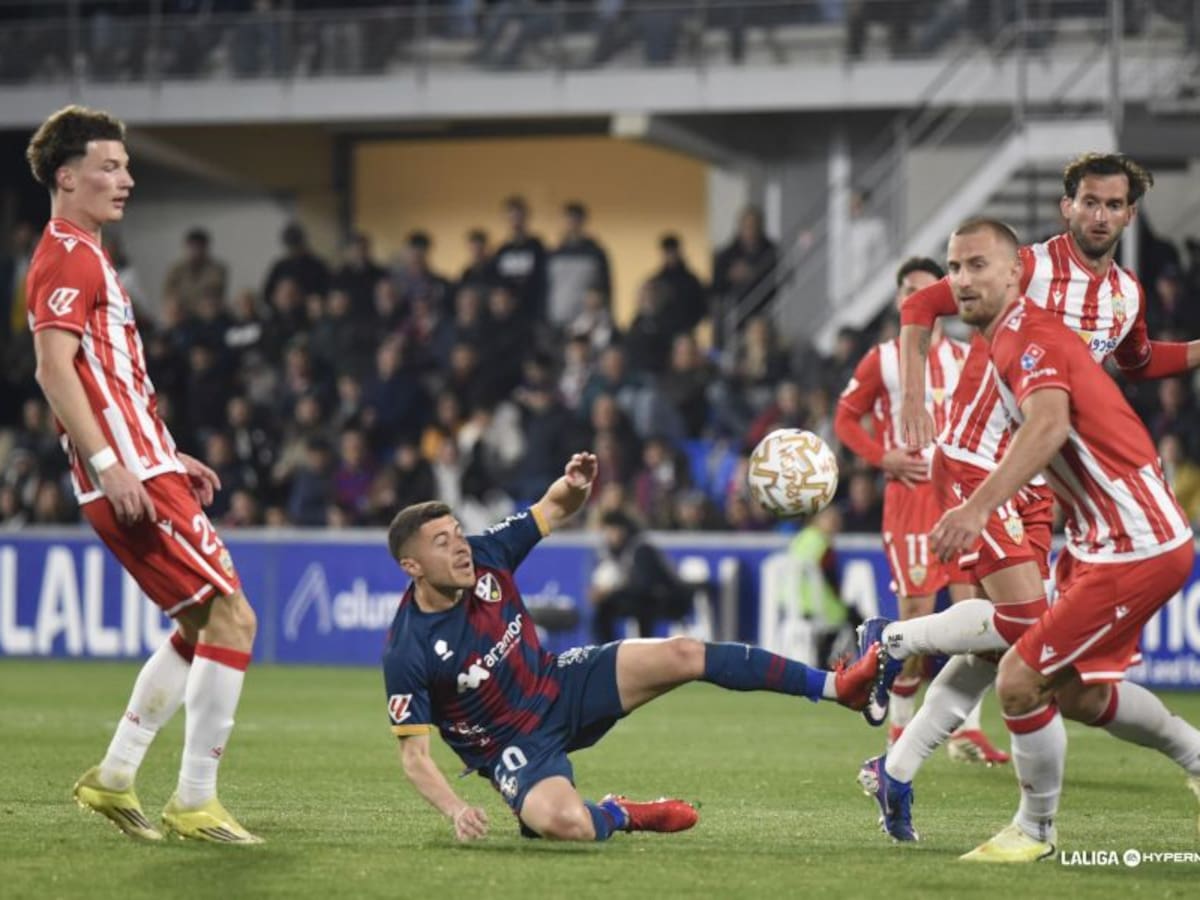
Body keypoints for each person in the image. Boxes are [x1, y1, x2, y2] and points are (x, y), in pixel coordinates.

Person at [856, 152, 1197, 844]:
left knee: (1032, 658)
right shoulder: (1021, 268)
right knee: (1025, 641)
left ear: (1129, 214)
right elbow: (921, 305)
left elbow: (1136, 362)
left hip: (1038, 477)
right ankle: (894, 645)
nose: (1099, 215)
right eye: (1088, 202)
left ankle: (896, 754)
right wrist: (915, 396)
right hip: (982, 462)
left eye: (1113, 205)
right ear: (1066, 207)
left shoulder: (1125, 293)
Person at [381, 451, 889, 843]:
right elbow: (414, 757)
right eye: (442, 543)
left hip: (560, 683)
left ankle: (838, 687)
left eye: (457, 534)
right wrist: (456, 810)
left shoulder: (488, 553)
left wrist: (575, 486)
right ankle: (618, 813)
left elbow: (553, 506)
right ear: (412, 566)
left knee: (683, 653)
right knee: (566, 825)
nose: (460, 547)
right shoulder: (408, 648)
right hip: (511, 746)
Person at [25, 106, 260, 843]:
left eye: (127, 166)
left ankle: (116, 775)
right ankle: (195, 800)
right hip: (129, 474)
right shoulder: (67, 254)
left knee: (199, 624)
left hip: (145, 462)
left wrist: (163, 448)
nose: (125, 179)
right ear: (67, 178)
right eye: (109, 166)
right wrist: (111, 462)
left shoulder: (89, 255)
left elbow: (110, 380)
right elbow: (53, 370)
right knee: (234, 619)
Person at [835, 257, 1006, 759]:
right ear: (898, 299)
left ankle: (967, 730)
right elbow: (845, 418)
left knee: (975, 615)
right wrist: (880, 457)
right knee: (917, 620)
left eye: (930, 290)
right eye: (911, 290)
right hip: (909, 500)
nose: (920, 299)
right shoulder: (883, 359)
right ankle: (899, 730)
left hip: (960, 495)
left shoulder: (968, 355)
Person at [589, 509, 692, 644]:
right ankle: (608, 648)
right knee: (604, 608)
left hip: (667, 598)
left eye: (612, 530)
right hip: (642, 598)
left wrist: (611, 592)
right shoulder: (613, 551)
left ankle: (642, 646)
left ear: (622, 530)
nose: (609, 536)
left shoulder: (640, 549)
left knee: (639, 607)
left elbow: (644, 586)